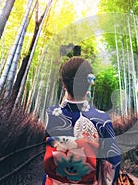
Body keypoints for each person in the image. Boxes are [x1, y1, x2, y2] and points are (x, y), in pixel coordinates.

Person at [43, 57, 121, 185]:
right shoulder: (101, 120)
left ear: (63, 83)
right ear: (89, 82)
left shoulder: (51, 114)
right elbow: (114, 162)